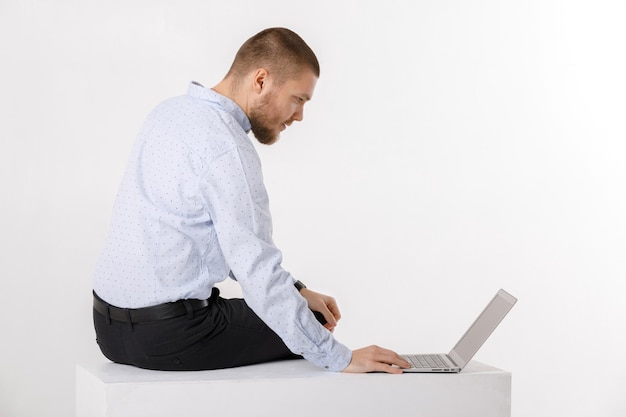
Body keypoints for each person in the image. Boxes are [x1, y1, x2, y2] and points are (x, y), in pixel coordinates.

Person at [92, 27, 410, 374]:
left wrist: (297, 289)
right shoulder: (228, 148)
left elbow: (213, 236)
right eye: (298, 99)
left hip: (108, 330)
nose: (299, 116)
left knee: (293, 308)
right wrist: (341, 357)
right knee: (312, 324)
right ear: (261, 81)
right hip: (171, 337)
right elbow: (256, 269)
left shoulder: (169, 113)